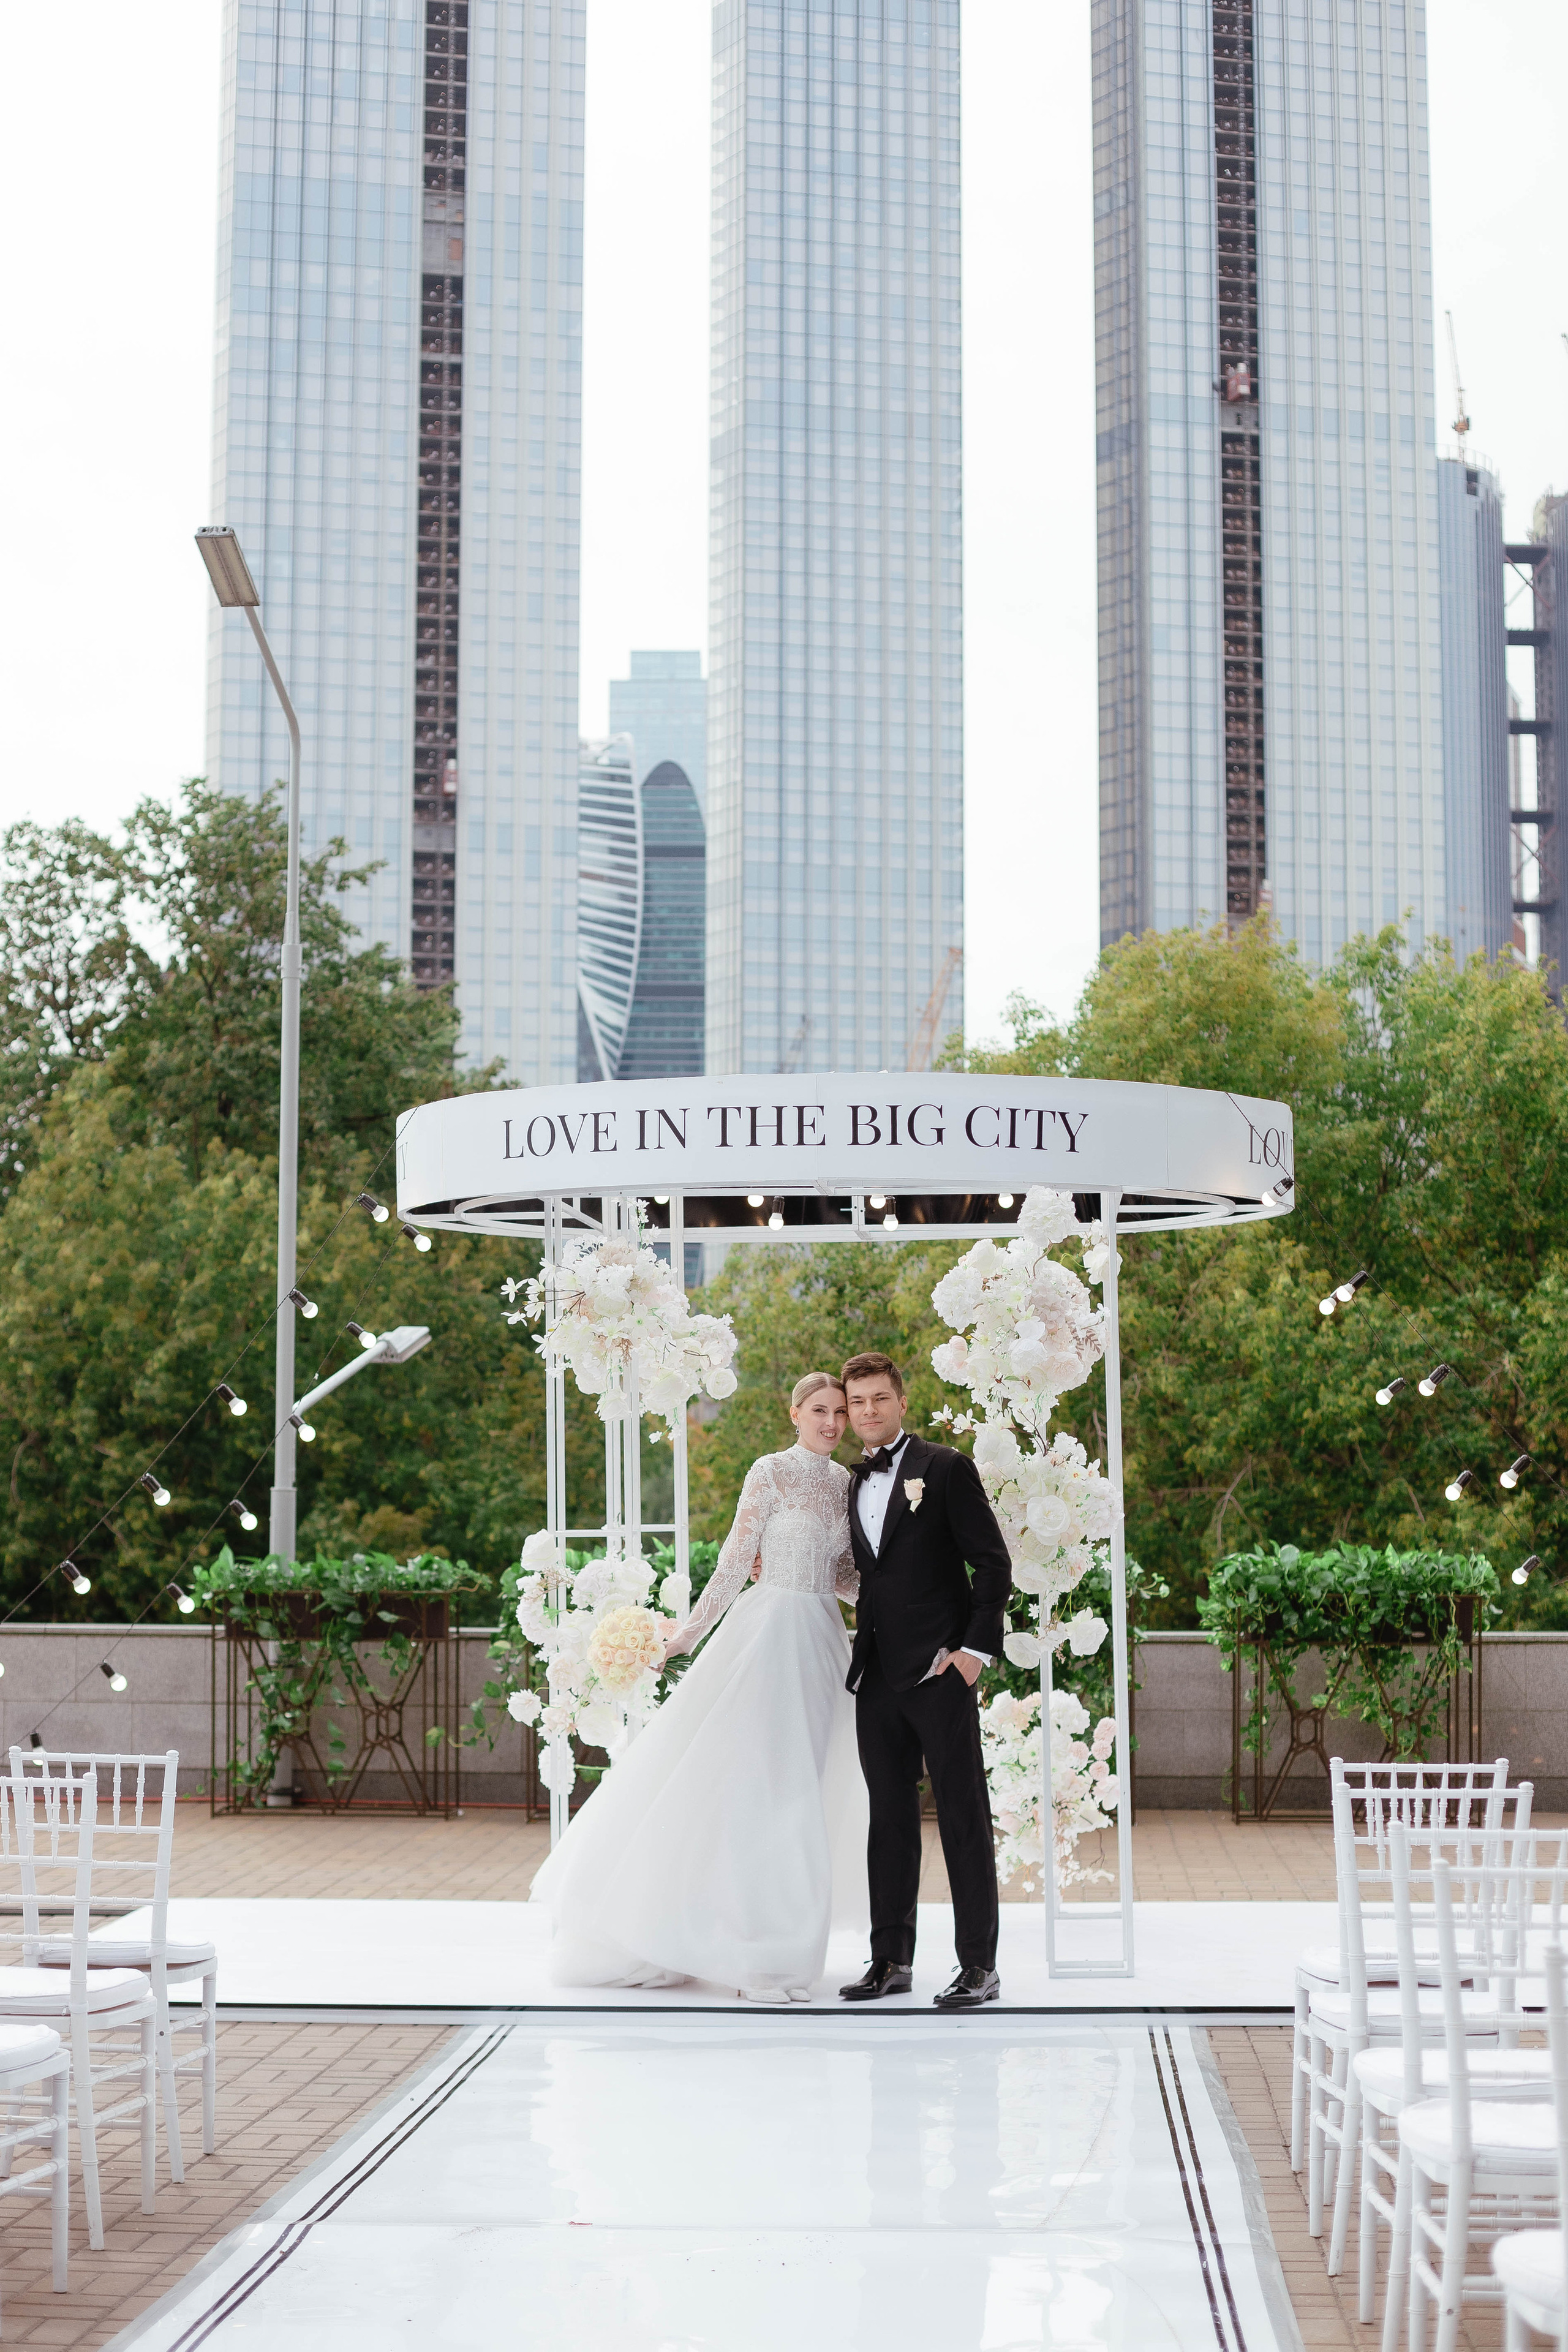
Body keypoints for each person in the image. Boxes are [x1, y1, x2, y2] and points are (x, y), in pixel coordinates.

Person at [528, 1373, 869, 2000]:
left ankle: (782, 1951)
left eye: (840, 1413)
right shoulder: (768, 1472)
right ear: (793, 1412)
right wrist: (687, 1634)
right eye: (819, 1410)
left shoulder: (847, 1484)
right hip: (767, 1636)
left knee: (807, 1791)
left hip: (822, 1639)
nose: (831, 1422)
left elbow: (845, 1574)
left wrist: (908, 1602)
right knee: (761, 1787)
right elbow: (737, 1561)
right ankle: (753, 1958)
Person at [837, 1351, 1014, 2011]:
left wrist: (972, 1652)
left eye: (879, 1398)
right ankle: (891, 1960)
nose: (869, 1411)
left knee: (963, 1814)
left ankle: (979, 1965)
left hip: (940, 1672)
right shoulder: (852, 1483)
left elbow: (991, 1564)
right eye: (858, 1402)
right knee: (888, 1818)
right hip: (876, 1674)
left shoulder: (943, 1468)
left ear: (901, 1401)